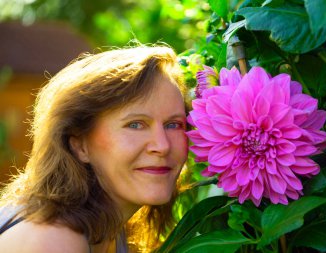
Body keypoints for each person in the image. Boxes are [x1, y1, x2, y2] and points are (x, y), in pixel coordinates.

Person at [0, 45, 189, 253]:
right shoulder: (53, 241)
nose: (162, 146)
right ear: (79, 145)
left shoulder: (110, 230)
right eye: (135, 124)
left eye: (173, 125)